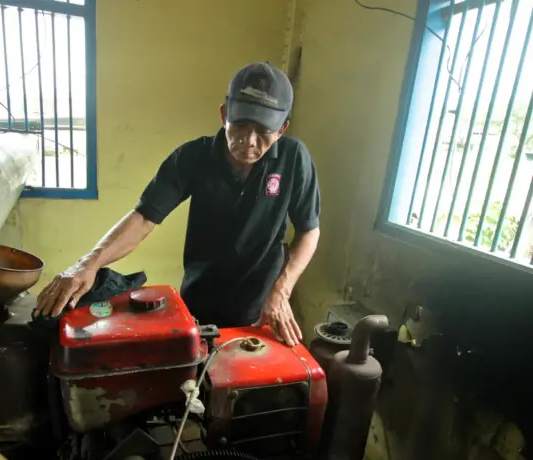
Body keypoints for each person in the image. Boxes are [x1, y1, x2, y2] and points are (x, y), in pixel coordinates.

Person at [35, 62, 320, 346]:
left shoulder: (294, 159)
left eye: (263, 131)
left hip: (262, 311)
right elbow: (144, 218)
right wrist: (90, 263)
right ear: (224, 115)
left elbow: (309, 231)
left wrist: (282, 290)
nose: (249, 141)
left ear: (282, 129)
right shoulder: (192, 158)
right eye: (241, 126)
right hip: (199, 302)